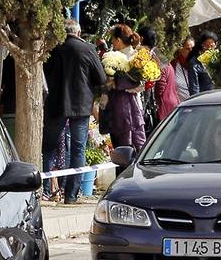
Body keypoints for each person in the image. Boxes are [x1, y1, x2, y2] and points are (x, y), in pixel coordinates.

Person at [43, 19, 106, 203]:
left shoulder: (53, 49)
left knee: (48, 149)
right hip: (80, 105)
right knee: (78, 149)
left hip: (56, 103)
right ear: (78, 32)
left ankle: (46, 191)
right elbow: (101, 77)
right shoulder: (87, 49)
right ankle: (71, 195)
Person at [106, 24, 147, 152]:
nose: (111, 42)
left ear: (118, 40)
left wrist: (116, 83)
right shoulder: (137, 55)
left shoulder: (128, 57)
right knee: (136, 143)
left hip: (125, 107)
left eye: (113, 39)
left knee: (125, 145)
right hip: (132, 106)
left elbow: (141, 83)